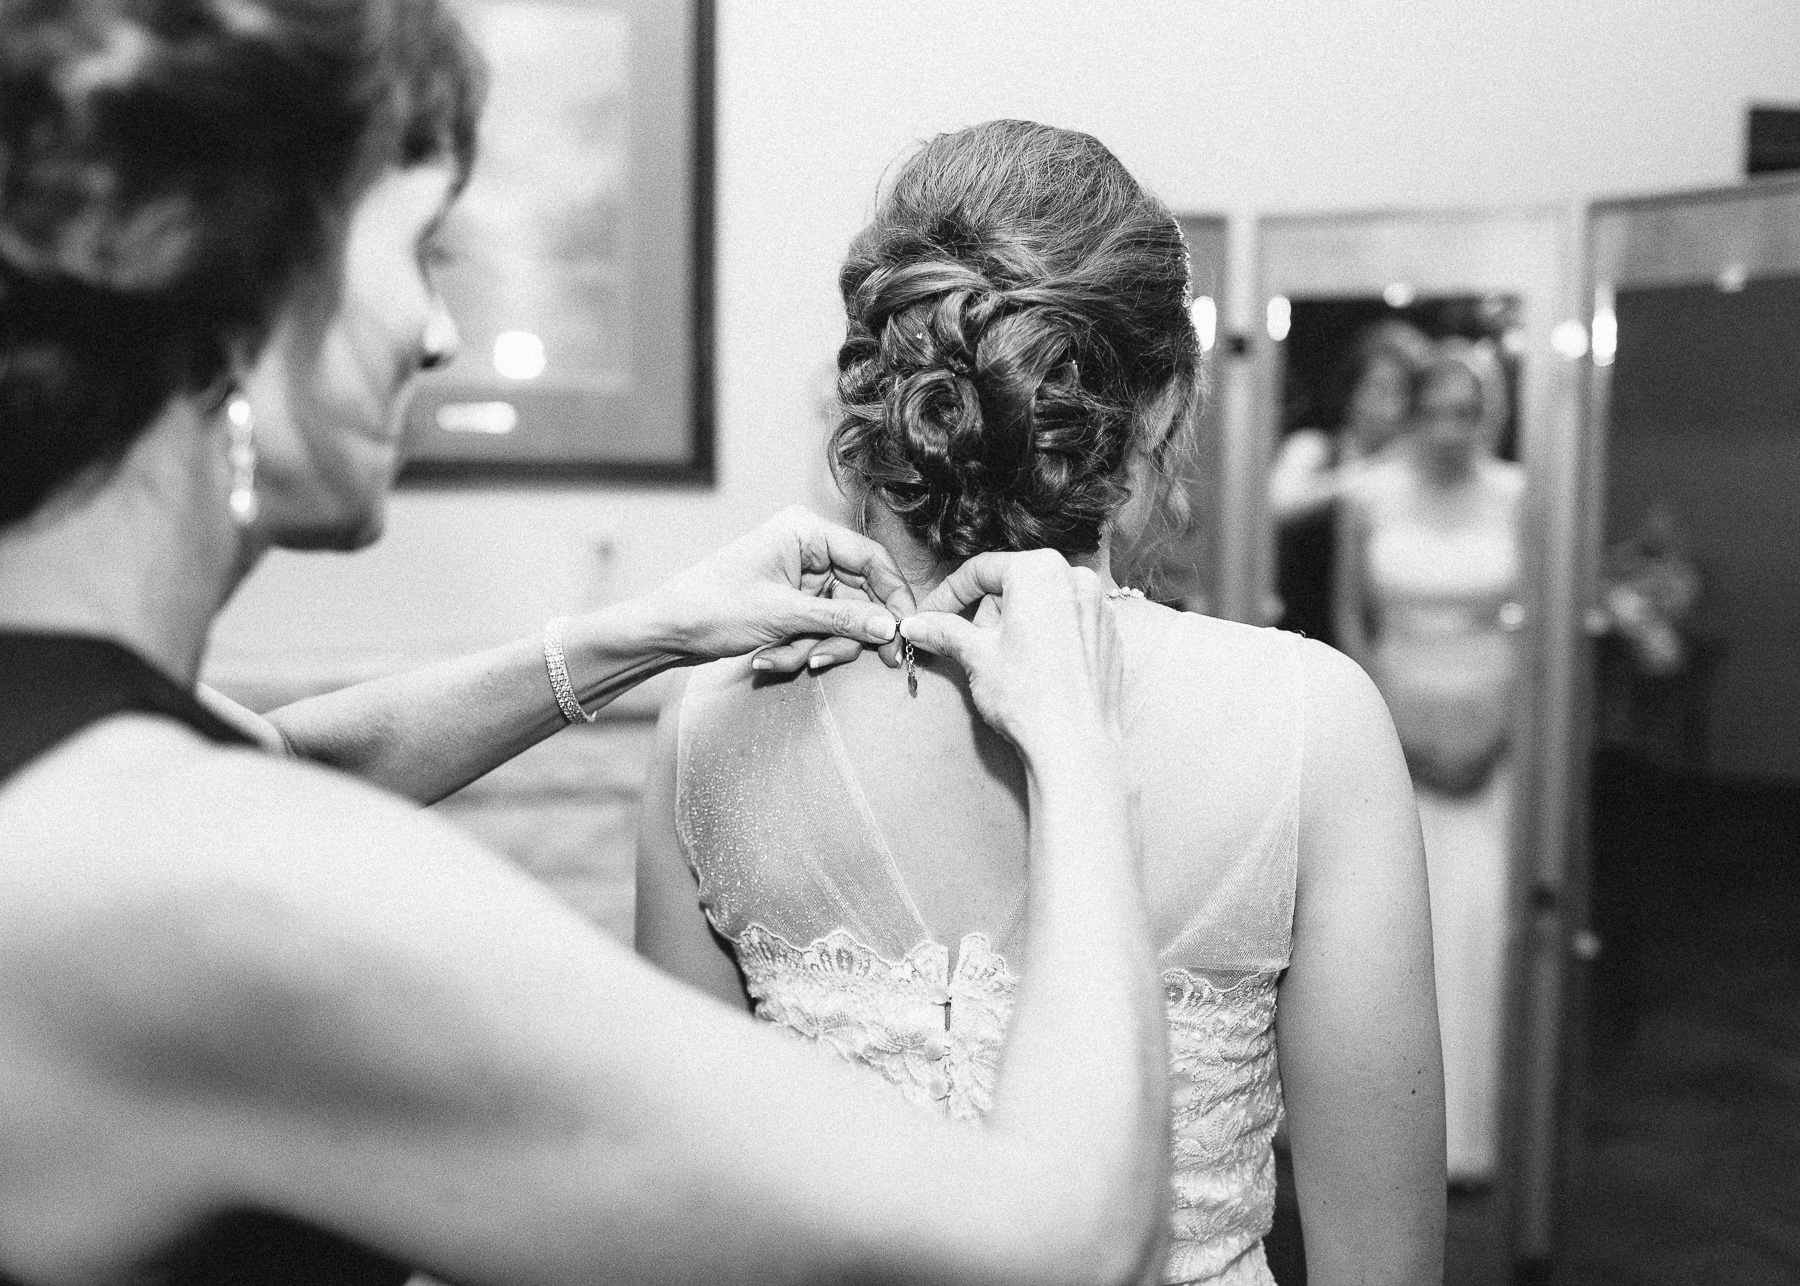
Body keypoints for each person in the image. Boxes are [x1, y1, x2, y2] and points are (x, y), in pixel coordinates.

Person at [0, 7, 1173, 1284]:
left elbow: (272, 750)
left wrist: (632, 636)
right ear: (248, 299)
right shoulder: (247, 894)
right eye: (422, 248)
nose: (438, 332)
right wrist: (1071, 746)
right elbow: (1067, 1244)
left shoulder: (85, 775)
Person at [637, 120, 1446, 1286]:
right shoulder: (1317, 723)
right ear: (1164, 408)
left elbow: (688, 1234)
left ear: (880, 404)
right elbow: (1387, 1267)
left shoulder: (710, 733)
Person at [1334, 337, 1526, 1185]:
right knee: (1394, 940)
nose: (1450, 427)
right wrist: (1395, 736)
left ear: (1489, 414)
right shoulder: (1369, 495)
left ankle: (1478, 1134)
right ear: (1410, 414)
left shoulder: (1520, 496)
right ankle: (1389, 1139)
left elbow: (1543, 624)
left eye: (1467, 410)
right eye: (1434, 409)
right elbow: (1351, 623)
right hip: (1398, 744)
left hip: (1497, 746)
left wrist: (1504, 731)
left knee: (1483, 930)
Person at [1268, 317, 1431, 645]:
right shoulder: (1315, 446)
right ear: (1352, 389)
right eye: (1377, 387)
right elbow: (1280, 503)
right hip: (1305, 631)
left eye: (1399, 392)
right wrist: (1371, 471)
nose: (1388, 405)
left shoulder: (1415, 470)